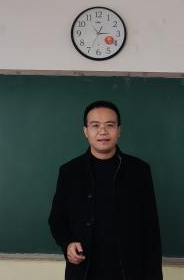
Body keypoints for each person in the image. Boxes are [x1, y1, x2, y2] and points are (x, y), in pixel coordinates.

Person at [48, 100, 162, 280]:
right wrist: (67, 243)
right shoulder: (69, 171)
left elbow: (151, 229)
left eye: (110, 125)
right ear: (85, 131)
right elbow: (56, 219)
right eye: (95, 125)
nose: (103, 131)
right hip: (84, 271)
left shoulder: (139, 170)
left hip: (130, 271)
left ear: (119, 130)